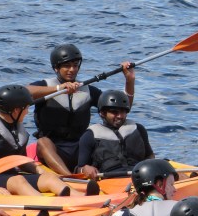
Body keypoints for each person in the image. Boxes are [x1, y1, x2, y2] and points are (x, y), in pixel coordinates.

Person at [27, 44, 136, 175]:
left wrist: (129, 80)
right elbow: (25, 92)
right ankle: (69, 178)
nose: (72, 69)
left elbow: (122, 108)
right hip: (54, 147)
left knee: (102, 137)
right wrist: (59, 89)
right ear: (56, 68)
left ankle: (116, 171)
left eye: (75, 65)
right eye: (67, 66)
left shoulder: (88, 90)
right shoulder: (45, 86)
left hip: (81, 147)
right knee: (43, 142)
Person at [0, 85, 94, 196]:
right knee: (19, 181)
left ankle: (81, 198)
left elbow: (22, 161)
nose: (27, 112)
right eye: (26, 108)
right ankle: (45, 205)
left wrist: (41, 171)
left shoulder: (15, 126)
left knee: (49, 177)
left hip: (9, 176)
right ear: (16, 110)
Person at [76, 90, 154, 180]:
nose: (120, 116)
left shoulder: (139, 129)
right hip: (109, 180)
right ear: (102, 113)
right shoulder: (89, 136)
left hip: (139, 177)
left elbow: (150, 156)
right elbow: (79, 168)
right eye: (114, 112)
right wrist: (84, 169)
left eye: (123, 111)